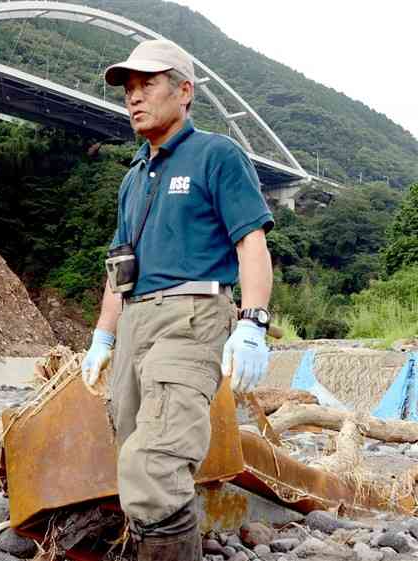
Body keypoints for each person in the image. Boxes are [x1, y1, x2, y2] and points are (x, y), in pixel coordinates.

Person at [80, 39, 274, 561]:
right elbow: (118, 268)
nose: (134, 98)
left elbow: (251, 241)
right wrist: (102, 336)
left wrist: (253, 321)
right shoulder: (132, 180)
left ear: (184, 91)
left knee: (155, 463)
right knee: (131, 459)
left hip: (192, 315)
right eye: (128, 89)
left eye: (148, 85)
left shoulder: (216, 155)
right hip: (136, 320)